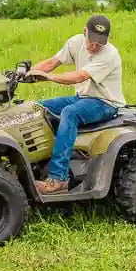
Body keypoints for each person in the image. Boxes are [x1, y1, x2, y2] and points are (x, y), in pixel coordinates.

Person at [28, 14, 125, 194]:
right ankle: (39, 163)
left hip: (105, 103)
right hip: (83, 98)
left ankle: (58, 179)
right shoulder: (75, 42)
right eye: (92, 41)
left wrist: (51, 78)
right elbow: (51, 63)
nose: (95, 46)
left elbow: (80, 76)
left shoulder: (109, 54)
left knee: (70, 113)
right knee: (38, 108)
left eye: (100, 43)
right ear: (84, 32)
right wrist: (27, 73)